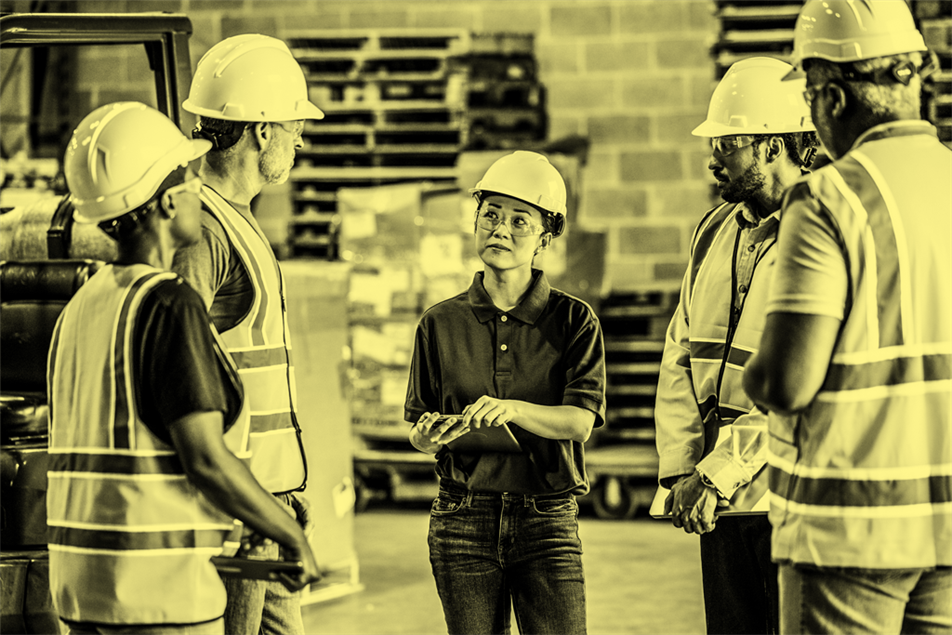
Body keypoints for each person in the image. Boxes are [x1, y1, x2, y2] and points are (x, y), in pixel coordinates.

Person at [46, 102, 321, 635]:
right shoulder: (169, 303)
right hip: (157, 592)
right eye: (192, 180)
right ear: (170, 201)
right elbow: (205, 458)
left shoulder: (81, 304)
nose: (202, 190)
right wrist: (288, 531)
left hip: (81, 588)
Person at [742, 1, 951, 633]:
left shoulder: (829, 198)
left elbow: (786, 382)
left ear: (831, 97)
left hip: (850, 529)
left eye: (808, 95)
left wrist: (750, 375)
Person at [404, 151, 606, 635]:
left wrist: (511, 409)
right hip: (461, 517)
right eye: (490, 214)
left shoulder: (574, 320)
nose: (500, 229)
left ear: (546, 236)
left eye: (520, 220)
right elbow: (417, 430)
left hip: (547, 517)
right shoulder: (439, 323)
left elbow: (579, 422)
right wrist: (429, 437)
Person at [653, 57, 818, 635]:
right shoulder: (712, 231)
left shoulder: (822, 232)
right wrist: (681, 471)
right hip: (718, 496)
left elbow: (803, 384)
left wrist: (719, 471)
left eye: (729, 142)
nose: (714, 155)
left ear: (772, 145)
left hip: (788, 493)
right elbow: (679, 352)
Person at [172, 34, 325, 635]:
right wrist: (251, 501)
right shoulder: (203, 230)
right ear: (261, 130)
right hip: (235, 512)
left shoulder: (236, 220)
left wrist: (284, 493)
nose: (299, 139)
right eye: (293, 126)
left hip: (266, 503)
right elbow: (176, 365)